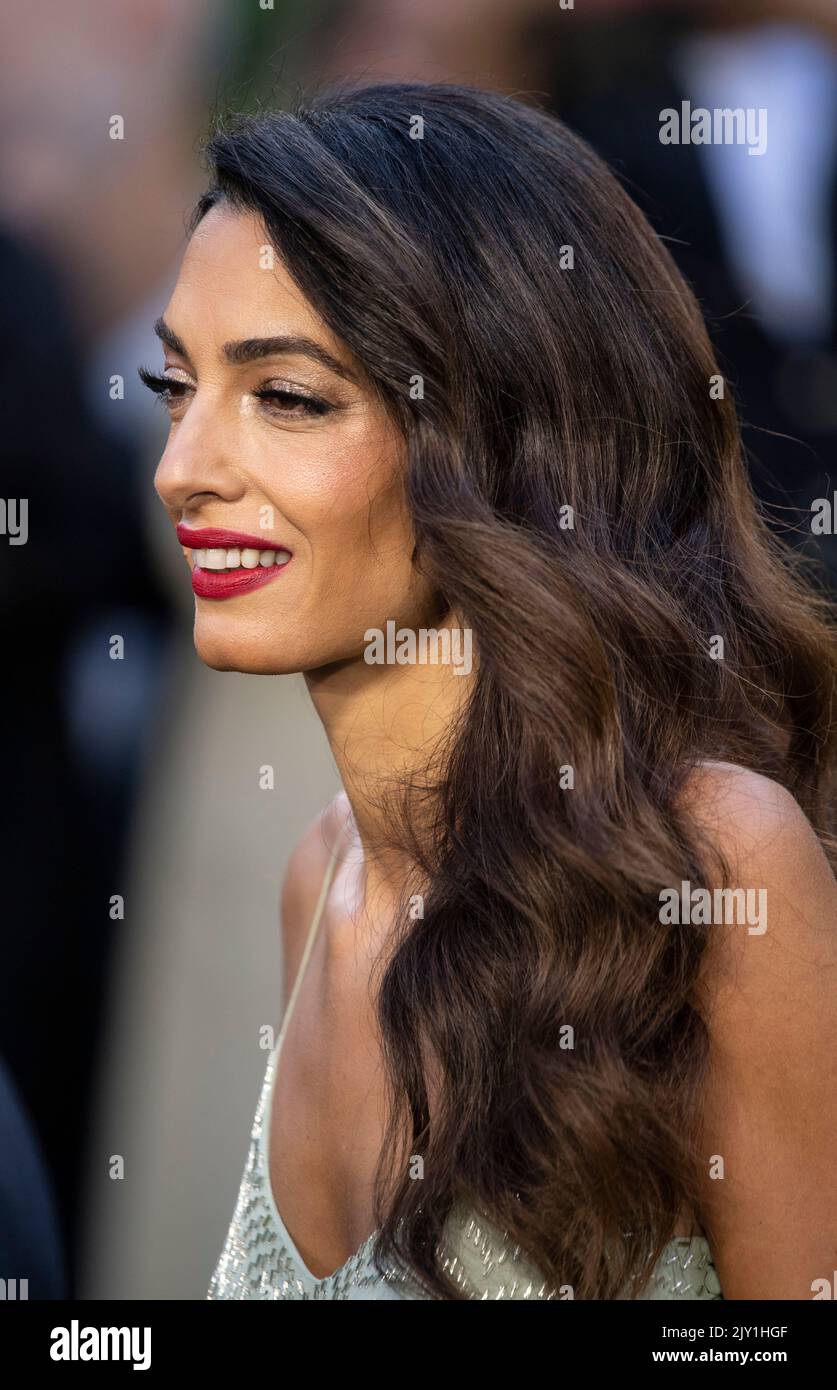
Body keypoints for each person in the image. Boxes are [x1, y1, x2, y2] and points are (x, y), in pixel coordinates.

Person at [141, 82, 837, 1300]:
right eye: (174, 388)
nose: (182, 468)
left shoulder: (716, 865)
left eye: (286, 397)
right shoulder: (320, 879)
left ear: (505, 438)